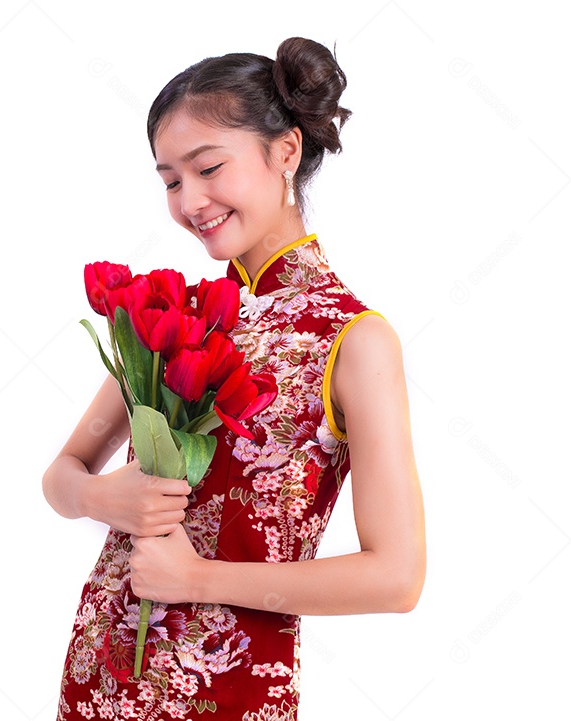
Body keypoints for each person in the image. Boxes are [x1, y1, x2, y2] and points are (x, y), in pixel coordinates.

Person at [42, 37, 426, 720]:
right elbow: (63, 475)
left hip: (229, 693)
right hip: (95, 678)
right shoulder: (174, 319)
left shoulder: (353, 339)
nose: (190, 199)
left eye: (208, 167)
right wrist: (105, 497)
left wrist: (196, 579)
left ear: (286, 152)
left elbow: (396, 576)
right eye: (169, 180)